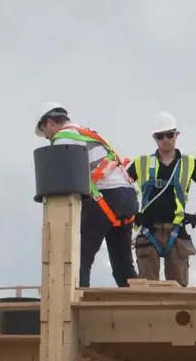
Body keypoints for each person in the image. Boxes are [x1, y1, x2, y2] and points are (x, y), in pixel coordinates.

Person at [35, 104, 140, 288]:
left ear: (50, 123)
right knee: (123, 263)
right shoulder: (87, 132)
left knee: (79, 258)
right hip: (127, 197)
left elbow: (63, 182)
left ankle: (77, 308)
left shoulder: (63, 139)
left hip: (105, 197)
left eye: (45, 132)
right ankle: (139, 306)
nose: (47, 137)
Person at [130, 112, 196, 285]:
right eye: (160, 136)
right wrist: (132, 214)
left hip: (176, 231)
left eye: (169, 134)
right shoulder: (142, 163)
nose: (166, 139)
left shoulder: (189, 163)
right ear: (154, 138)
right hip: (148, 229)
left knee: (178, 291)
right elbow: (121, 187)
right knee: (147, 289)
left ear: (176, 135)